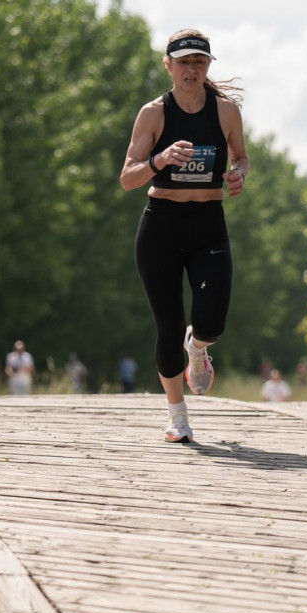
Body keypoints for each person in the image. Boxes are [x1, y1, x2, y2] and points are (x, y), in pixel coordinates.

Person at [119, 29, 249, 442]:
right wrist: (159, 159)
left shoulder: (226, 112)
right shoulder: (154, 114)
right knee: (169, 327)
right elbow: (127, 178)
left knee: (211, 321)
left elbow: (242, 156)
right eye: (183, 61)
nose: (191, 69)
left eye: (199, 61)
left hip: (208, 221)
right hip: (161, 225)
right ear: (168, 65)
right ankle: (178, 416)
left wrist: (238, 174)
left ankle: (200, 348)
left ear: (209, 66)